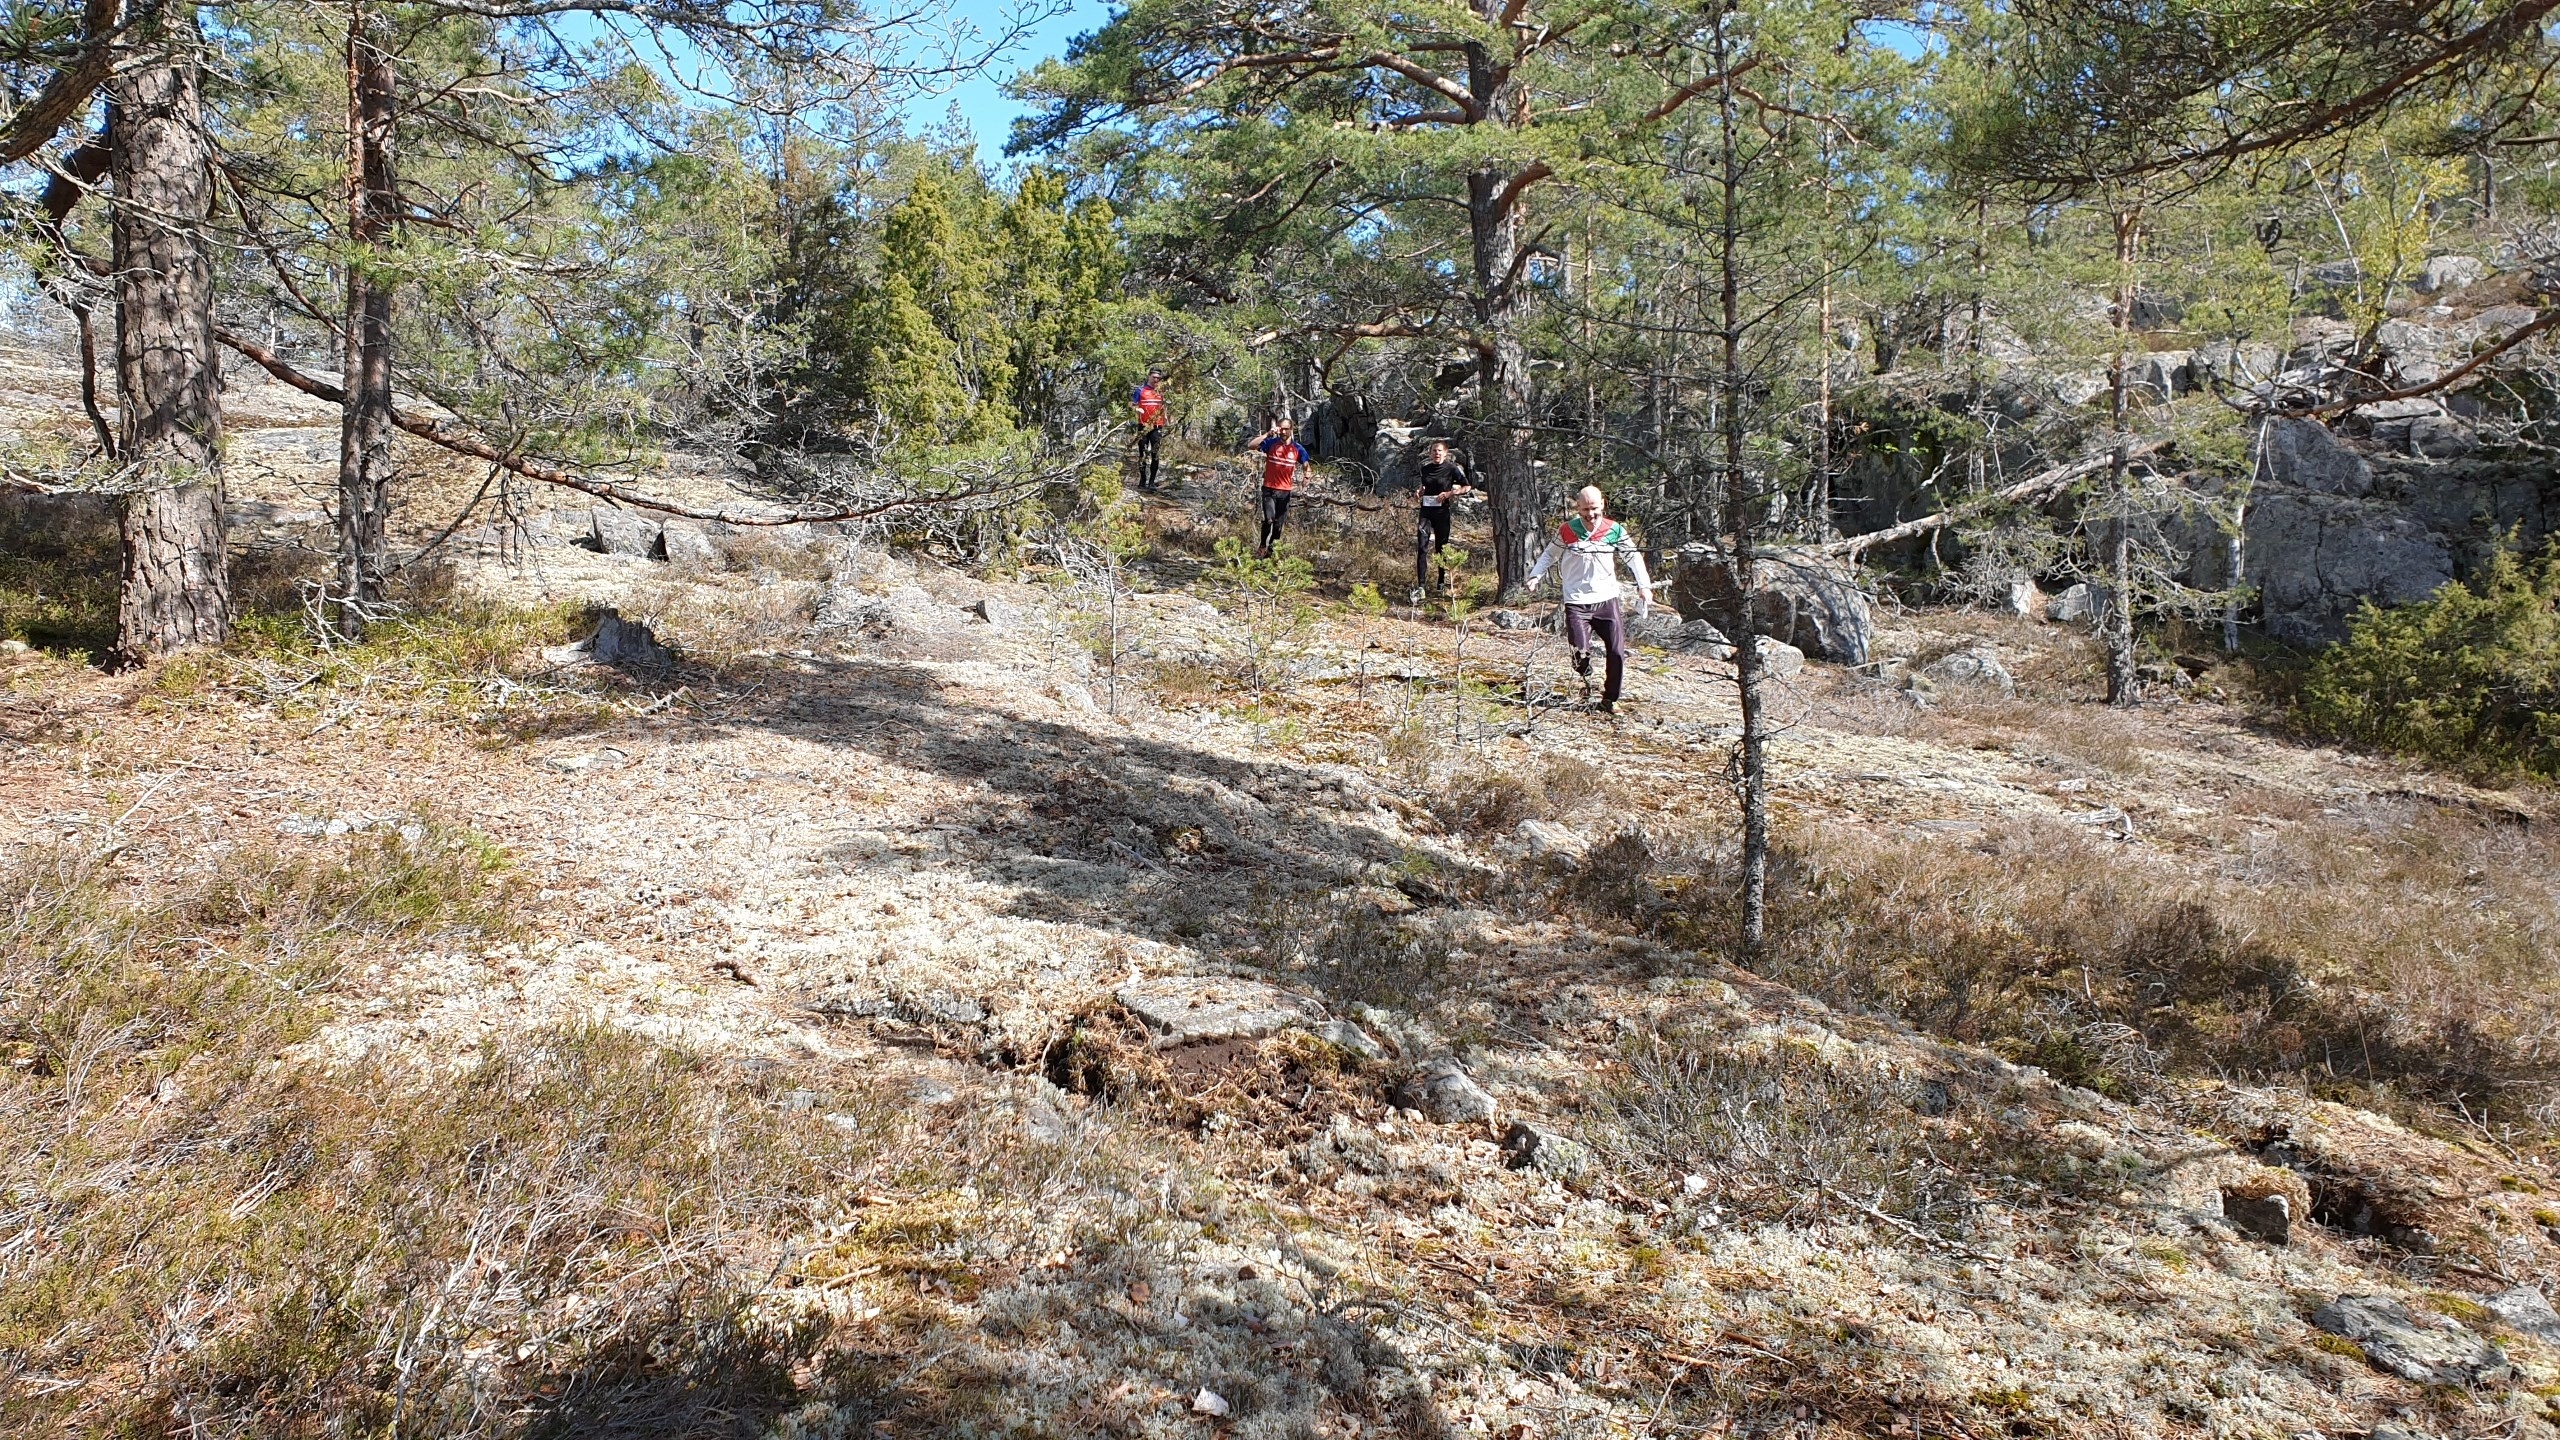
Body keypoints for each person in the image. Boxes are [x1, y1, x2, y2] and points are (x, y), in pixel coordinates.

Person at [1523, 486, 1654, 713]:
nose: (1590, 514)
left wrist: (1644, 586)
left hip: (1607, 600)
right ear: (1578, 508)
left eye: (1594, 508)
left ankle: (1610, 699)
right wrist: (1536, 575)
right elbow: (1549, 555)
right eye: (1585, 509)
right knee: (1579, 654)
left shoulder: (1615, 530)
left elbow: (1633, 557)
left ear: (1602, 504)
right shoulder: (1567, 531)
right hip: (1576, 600)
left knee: (1616, 651)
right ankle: (1586, 675)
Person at [1410, 439, 1475, 600]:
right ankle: (1421, 586)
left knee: (1441, 547)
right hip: (1426, 511)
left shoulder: (1452, 469)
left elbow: (1467, 486)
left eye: (1439, 451)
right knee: (1422, 547)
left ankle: (1441, 581)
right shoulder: (1425, 469)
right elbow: (1424, 486)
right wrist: (1418, 493)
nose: (1436, 453)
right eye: (1433, 451)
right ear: (1430, 453)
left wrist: (1450, 494)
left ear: (1446, 453)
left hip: (1441, 512)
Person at [1247, 416, 1309, 557]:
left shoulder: (1297, 448)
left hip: (1285, 491)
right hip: (1269, 489)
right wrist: (1267, 434)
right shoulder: (1271, 443)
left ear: (1291, 430)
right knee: (1269, 519)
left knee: (1278, 525)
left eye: (1286, 429)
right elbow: (1251, 445)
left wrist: (1307, 476)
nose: (1283, 432)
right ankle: (1262, 546)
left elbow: (1306, 465)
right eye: (1281, 428)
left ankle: (1271, 551)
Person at [1131, 371, 1169, 491]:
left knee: (1155, 454)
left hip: (1157, 426)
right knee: (1142, 453)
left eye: (1158, 378)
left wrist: (1166, 418)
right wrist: (1137, 409)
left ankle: (1152, 482)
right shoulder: (1140, 390)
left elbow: (1164, 406)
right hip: (1143, 425)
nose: (1156, 380)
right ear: (1149, 377)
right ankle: (1142, 480)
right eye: (1154, 377)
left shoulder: (1161, 392)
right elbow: (1132, 404)